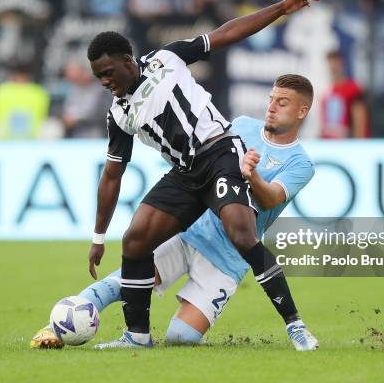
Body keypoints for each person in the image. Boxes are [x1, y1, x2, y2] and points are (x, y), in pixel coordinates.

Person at [85, 0, 321, 349]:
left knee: (242, 233)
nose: (104, 81)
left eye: (107, 72)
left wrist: (280, 9)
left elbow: (225, 33)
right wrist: (98, 236)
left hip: (219, 153)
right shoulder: (118, 115)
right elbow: (112, 175)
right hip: (185, 173)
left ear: (127, 60)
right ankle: (137, 336)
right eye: (98, 77)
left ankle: (295, 326)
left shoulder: (167, 58)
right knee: (135, 240)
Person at [31, 75, 317, 350]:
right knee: (119, 282)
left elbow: (270, 199)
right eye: (272, 99)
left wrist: (251, 175)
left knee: (182, 337)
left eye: (283, 102)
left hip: (228, 259)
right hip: (191, 231)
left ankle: (292, 325)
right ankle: (55, 327)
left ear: (302, 111)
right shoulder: (241, 125)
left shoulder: (301, 162)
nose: (272, 106)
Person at [0, 65, 50, 139]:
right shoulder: (0, 92)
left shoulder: (39, 92)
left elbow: (42, 114)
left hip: (31, 139)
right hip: (7, 140)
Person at [320, 50, 369, 139]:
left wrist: (360, 144)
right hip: (327, 143)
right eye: (330, 63)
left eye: (336, 63)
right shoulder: (325, 91)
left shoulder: (353, 88)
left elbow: (359, 118)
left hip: (346, 144)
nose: (333, 67)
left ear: (343, 64)